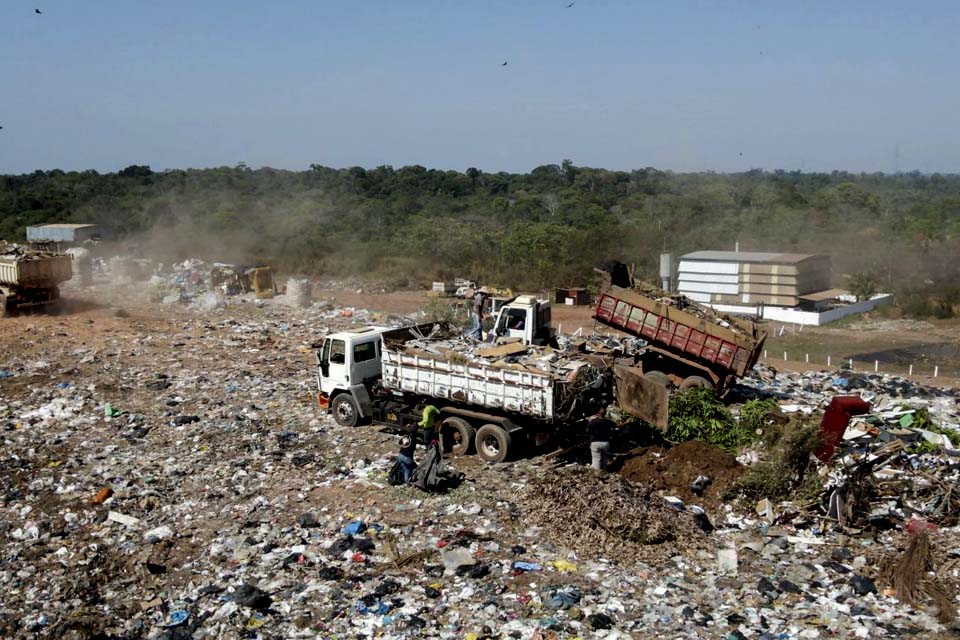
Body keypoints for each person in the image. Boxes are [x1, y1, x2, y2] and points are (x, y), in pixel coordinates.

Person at [587, 406, 617, 471]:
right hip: (605, 443)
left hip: (595, 443)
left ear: (597, 413)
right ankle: (604, 471)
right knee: (604, 459)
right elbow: (617, 426)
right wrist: (627, 422)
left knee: (596, 460)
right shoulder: (608, 422)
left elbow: (588, 430)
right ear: (605, 414)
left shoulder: (593, 422)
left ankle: (597, 473)